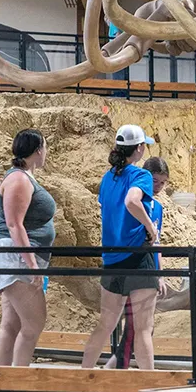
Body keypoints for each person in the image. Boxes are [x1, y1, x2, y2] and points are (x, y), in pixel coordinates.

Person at [80, 125, 162, 371]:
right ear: (138, 149)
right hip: (138, 257)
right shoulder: (140, 176)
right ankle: (149, 387)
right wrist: (151, 228)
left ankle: (83, 380)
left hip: (112, 258)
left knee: (105, 324)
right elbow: (131, 201)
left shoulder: (107, 178)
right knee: (144, 328)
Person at [0, 129, 54, 392]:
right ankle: (20, 391)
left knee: (12, 324)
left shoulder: (20, 177)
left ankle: (3, 390)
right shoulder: (18, 179)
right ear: (38, 149)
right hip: (17, 259)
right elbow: (15, 224)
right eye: (46, 147)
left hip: (16, 257)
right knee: (34, 323)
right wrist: (31, 265)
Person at [105, 156, 169, 370]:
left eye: (162, 182)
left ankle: (113, 369)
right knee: (137, 326)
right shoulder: (133, 204)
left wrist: (159, 273)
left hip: (147, 263)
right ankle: (129, 375)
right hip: (131, 263)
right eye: (154, 181)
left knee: (139, 326)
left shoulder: (157, 207)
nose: (158, 187)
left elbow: (156, 241)